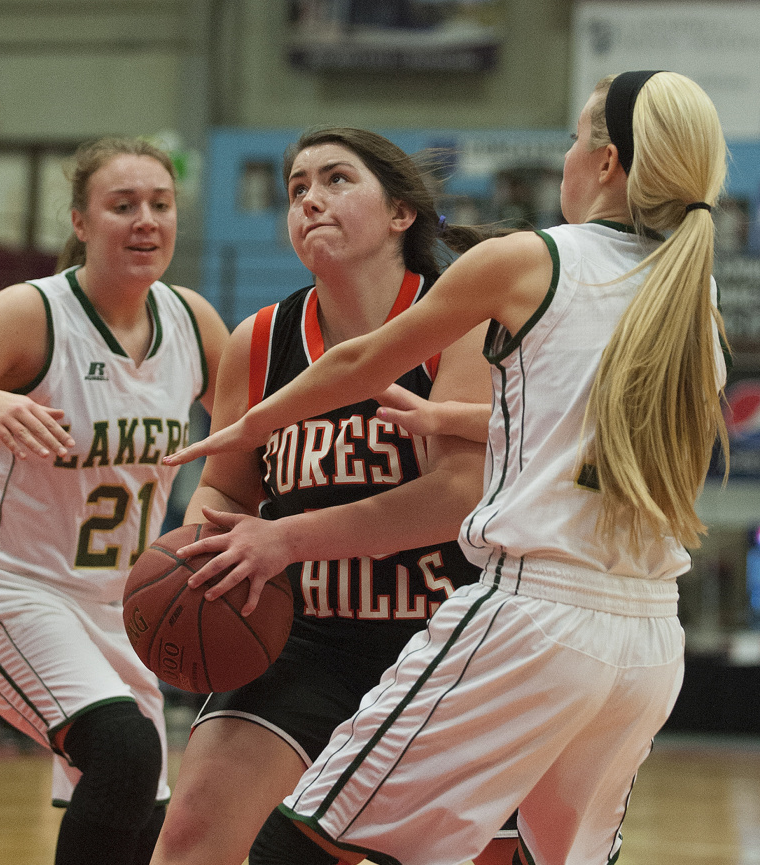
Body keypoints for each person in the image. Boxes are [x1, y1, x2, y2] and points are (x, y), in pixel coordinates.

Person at [165, 71, 730, 865]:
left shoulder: (529, 261)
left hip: (531, 615)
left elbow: (363, 361)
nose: (566, 157)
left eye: (573, 140)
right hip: (643, 638)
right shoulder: (687, 296)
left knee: (299, 845)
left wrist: (255, 420)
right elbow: (584, 431)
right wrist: (450, 417)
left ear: (604, 162)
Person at [149, 127, 516, 865]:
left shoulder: (462, 323)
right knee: (192, 838)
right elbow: (225, 483)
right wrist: (202, 566)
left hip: (443, 640)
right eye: (296, 189)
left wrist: (282, 539)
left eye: (336, 180)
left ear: (400, 214)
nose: (310, 198)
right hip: (299, 638)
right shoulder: (261, 338)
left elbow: (454, 494)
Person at [0, 136, 229, 864]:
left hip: (122, 605)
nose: (145, 221)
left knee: (139, 810)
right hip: (6, 585)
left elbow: (242, 436)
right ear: (79, 220)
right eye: (122, 205)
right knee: (126, 754)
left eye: (160, 205)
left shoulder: (193, 321)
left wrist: (208, 525)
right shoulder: (31, 314)